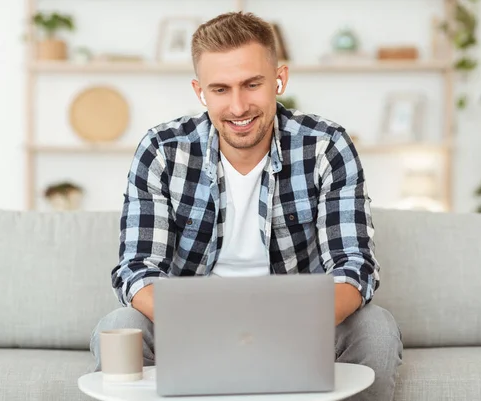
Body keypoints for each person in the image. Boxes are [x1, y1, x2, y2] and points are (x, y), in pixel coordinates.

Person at [90, 11, 402, 401]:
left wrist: (285, 325)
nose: (238, 107)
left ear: (279, 80)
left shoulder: (326, 145)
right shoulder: (162, 150)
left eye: (252, 84)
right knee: (119, 323)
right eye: (220, 89)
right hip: (193, 327)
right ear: (199, 91)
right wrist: (208, 325)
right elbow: (136, 268)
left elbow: (354, 265)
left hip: (300, 327)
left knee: (377, 327)